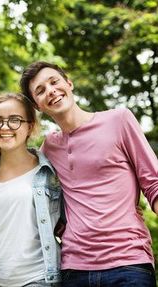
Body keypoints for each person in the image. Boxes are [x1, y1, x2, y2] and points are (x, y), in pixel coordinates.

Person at [20, 61, 158, 287]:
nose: (51, 91)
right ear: (38, 106)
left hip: (129, 263)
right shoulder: (49, 149)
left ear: (69, 83)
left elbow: (154, 183)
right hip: (74, 270)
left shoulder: (119, 120)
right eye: (41, 91)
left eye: (54, 82)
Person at [0, 92, 62, 287]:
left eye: (15, 120)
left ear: (29, 126)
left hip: (39, 279)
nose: (5, 127)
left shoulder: (48, 172)